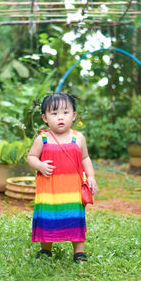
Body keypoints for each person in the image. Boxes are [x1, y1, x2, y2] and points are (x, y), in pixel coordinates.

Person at [27, 92, 97, 262]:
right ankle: (45, 249)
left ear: (73, 116)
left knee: (74, 216)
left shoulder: (78, 138)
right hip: (49, 189)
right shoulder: (43, 138)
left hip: (71, 189)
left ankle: (79, 251)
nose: (60, 117)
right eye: (54, 113)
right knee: (48, 216)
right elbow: (31, 157)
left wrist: (91, 176)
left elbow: (85, 158)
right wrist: (40, 166)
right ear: (44, 117)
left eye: (65, 113)